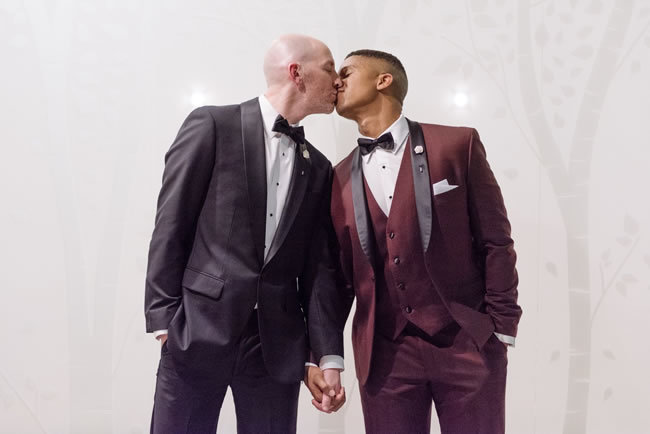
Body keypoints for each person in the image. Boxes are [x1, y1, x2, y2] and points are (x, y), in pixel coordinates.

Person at [144, 34, 345, 433]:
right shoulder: (213, 125)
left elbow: (319, 268)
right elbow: (171, 222)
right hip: (196, 331)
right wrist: (165, 321)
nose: (338, 81)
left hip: (276, 347)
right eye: (329, 68)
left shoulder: (319, 168)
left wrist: (325, 356)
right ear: (296, 72)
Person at [323, 49, 522, 433]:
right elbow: (339, 279)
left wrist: (501, 327)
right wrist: (328, 356)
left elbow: (496, 241)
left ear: (384, 80)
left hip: (467, 342)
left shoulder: (456, 145)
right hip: (384, 354)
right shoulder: (337, 179)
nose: (337, 81)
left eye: (347, 72)